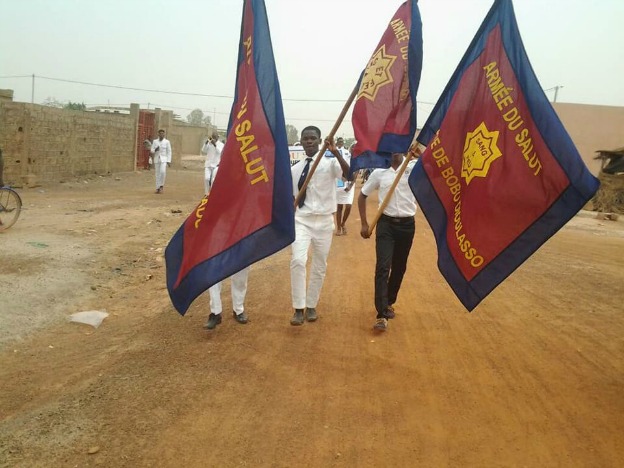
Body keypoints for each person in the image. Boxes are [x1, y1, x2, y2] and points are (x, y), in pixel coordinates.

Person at [289, 126, 349, 325]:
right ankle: (298, 308)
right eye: (305, 138)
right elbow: (291, 197)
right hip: (302, 221)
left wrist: (335, 153)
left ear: (319, 140)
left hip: (324, 222)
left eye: (312, 138)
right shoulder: (295, 170)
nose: (309, 142)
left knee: (319, 265)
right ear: (301, 141)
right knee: (298, 260)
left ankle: (311, 305)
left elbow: (349, 176)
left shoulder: (330, 165)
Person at [358, 152, 417, 332]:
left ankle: (389, 301)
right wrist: (364, 223)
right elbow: (362, 195)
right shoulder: (379, 173)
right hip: (386, 225)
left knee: (400, 267)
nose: (395, 151)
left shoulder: (414, 168)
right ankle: (382, 313)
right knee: (383, 266)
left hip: (407, 225)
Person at [335, 139, 355, 236]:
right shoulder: (335, 155)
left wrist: (350, 186)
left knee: (348, 206)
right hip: (339, 181)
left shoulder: (351, 156)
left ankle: (343, 223)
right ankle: (338, 227)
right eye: (339, 142)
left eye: (342, 142)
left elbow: (355, 173)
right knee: (339, 206)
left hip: (350, 182)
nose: (341, 144)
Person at [150, 129, 172, 194]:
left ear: (164, 134)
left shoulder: (167, 142)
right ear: (158, 134)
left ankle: (161, 185)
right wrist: (155, 150)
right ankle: (157, 188)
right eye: (160, 133)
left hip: (164, 159)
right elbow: (151, 150)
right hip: (157, 159)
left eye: (163, 133)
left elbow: (169, 151)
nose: (162, 135)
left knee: (162, 172)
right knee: (157, 174)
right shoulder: (155, 141)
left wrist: (168, 161)